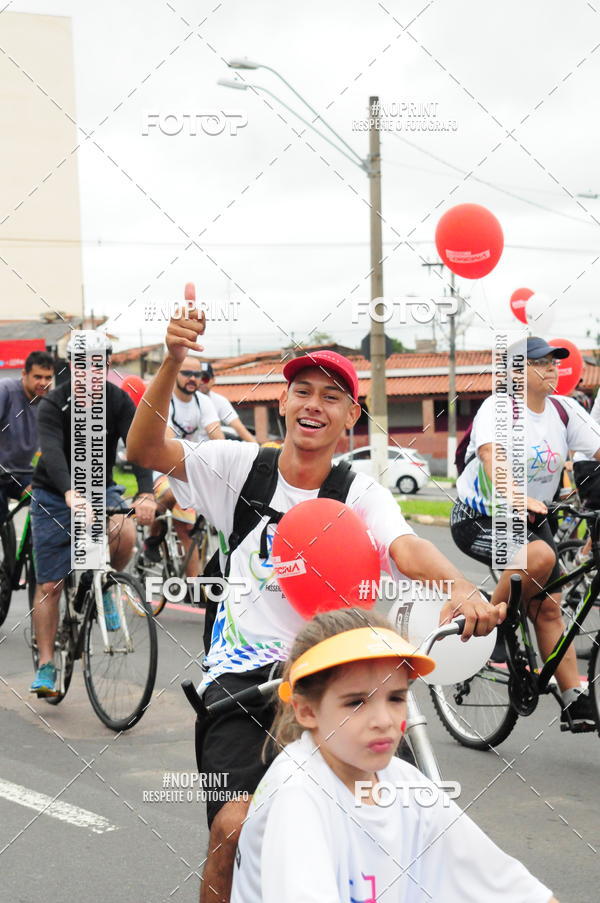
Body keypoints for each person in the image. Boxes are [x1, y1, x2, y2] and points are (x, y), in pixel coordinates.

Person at [127, 296, 504, 903]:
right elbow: (145, 452)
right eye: (303, 391)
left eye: (331, 397)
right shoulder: (238, 467)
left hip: (340, 676)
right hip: (244, 682)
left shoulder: (360, 492)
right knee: (235, 827)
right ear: (283, 402)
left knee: (401, 817)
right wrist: (171, 362)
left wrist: (460, 588)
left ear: (350, 415)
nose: (314, 405)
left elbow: (404, 548)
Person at [230, 607, 557, 903]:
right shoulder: (298, 796)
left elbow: (511, 888)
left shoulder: (403, 782)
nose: (384, 720)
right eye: (356, 702)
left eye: (396, 698)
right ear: (306, 711)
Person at [451, 337, 600, 730]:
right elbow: (491, 457)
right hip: (482, 515)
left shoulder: (565, 410)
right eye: (541, 363)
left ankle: (574, 699)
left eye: (554, 362)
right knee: (541, 558)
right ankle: (494, 628)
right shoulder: (499, 409)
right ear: (515, 372)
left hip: (535, 517)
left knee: (549, 606)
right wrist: (518, 497)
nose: (552, 368)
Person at [29, 334, 156, 697]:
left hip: (101, 489)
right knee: (50, 585)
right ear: (71, 364)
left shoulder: (117, 400)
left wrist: (146, 492)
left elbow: (139, 448)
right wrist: (69, 490)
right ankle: (47, 665)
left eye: (98, 362)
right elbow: (51, 450)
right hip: (54, 493)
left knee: (125, 532)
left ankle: (107, 588)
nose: (90, 371)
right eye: (83, 363)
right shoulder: (55, 402)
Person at [143, 354, 224, 577]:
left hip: (191, 469)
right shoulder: (164, 400)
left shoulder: (203, 402)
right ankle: (154, 534)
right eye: (187, 373)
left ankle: (193, 586)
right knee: (174, 501)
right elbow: (168, 441)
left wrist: (227, 457)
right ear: (175, 373)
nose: (193, 379)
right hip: (164, 468)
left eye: (197, 375)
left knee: (187, 528)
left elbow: (216, 433)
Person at [0, 350, 55, 523]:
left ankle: (35, 546)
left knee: (54, 496)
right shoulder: (6, 390)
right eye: (37, 377)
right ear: (24, 374)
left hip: (21, 473)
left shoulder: (47, 403)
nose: (43, 383)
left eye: (48, 378)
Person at [197, 362, 257, 442]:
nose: (201, 382)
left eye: (205, 379)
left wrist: (258, 448)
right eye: (198, 378)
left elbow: (239, 428)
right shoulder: (186, 399)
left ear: (213, 380)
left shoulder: (219, 401)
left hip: (210, 448)